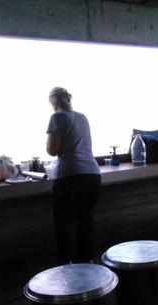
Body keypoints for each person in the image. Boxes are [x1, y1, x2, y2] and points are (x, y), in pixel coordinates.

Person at [46, 87, 101, 265]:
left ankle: (67, 268)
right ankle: (89, 264)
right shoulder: (82, 117)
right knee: (85, 221)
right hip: (93, 176)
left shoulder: (57, 117)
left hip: (70, 176)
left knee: (65, 225)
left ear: (53, 102)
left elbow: (52, 150)